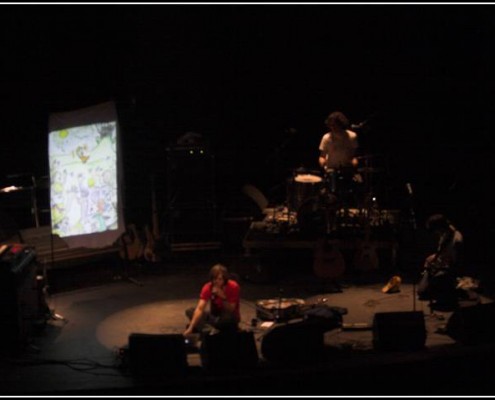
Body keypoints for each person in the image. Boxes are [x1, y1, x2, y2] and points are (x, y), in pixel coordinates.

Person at [318, 110, 363, 211]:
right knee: (332, 190)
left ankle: (356, 209)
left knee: (359, 185)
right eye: (330, 125)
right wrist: (323, 164)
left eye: (335, 125)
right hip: (331, 170)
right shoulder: (326, 138)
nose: (332, 128)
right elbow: (322, 157)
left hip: (348, 170)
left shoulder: (352, 136)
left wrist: (354, 162)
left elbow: (355, 156)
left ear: (341, 124)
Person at [417, 214, 464, 309]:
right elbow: (442, 253)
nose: (436, 233)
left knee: (439, 279)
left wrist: (441, 266)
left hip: (448, 269)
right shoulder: (445, 234)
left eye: (436, 230)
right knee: (421, 292)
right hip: (441, 265)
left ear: (440, 227)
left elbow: (457, 262)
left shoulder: (456, 238)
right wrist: (433, 259)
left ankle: (449, 290)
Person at [183, 264, 241, 336]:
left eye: (220, 279)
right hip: (214, 318)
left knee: (228, 320)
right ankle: (211, 331)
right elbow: (200, 308)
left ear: (224, 279)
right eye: (214, 279)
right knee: (190, 311)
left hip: (229, 318)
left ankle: (206, 329)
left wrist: (223, 297)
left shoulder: (233, 286)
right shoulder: (208, 287)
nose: (216, 281)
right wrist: (190, 328)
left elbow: (230, 310)